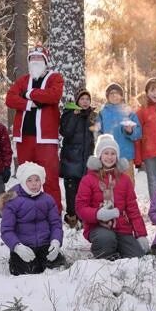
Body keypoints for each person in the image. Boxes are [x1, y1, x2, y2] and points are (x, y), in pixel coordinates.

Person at [5, 44, 64, 212]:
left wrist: (29, 93)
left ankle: (54, 212)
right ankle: (28, 211)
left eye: (39, 58)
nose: (36, 61)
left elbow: (53, 95)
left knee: (49, 177)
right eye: (33, 58)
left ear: (45, 61)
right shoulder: (23, 80)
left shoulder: (54, 77)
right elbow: (10, 99)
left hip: (46, 138)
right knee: (26, 176)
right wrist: (30, 104)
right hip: (24, 137)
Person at [75, 134, 149, 259]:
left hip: (121, 228)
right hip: (98, 227)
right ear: (99, 155)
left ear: (117, 156)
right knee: (106, 239)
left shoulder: (125, 180)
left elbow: (133, 209)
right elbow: (80, 208)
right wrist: (98, 214)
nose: (109, 157)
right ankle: (107, 258)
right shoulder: (88, 180)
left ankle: (120, 248)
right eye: (106, 153)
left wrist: (141, 235)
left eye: (113, 153)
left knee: (138, 256)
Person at [0, 162, 64, 276]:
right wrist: (17, 247)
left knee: (58, 269)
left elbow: (55, 224)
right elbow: (6, 230)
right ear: (23, 181)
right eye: (29, 180)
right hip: (24, 247)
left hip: (45, 245)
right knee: (26, 273)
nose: (34, 184)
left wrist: (56, 241)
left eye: (37, 180)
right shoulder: (13, 201)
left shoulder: (48, 200)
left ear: (42, 181)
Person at [59, 88, 97, 228]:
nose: (85, 102)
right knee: (71, 190)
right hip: (71, 159)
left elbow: (96, 136)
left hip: (86, 159)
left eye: (87, 99)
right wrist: (75, 116)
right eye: (82, 99)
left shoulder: (92, 116)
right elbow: (65, 132)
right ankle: (71, 216)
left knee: (85, 191)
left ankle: (83, 216)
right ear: (77, 101)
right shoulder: (69, 113)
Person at [97, 83, 142, 184]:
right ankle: (111, 200)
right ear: (107, 96)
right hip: (107, 156)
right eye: (111, 93)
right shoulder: (102, 113)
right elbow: (97, 132)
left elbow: (138, 133)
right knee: (109, 183)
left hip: (125, 155)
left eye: (117, 93)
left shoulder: (129, 112)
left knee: (128, 182)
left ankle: (129, 200)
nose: (114, 95)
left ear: (121, 96)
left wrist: (130, 131)